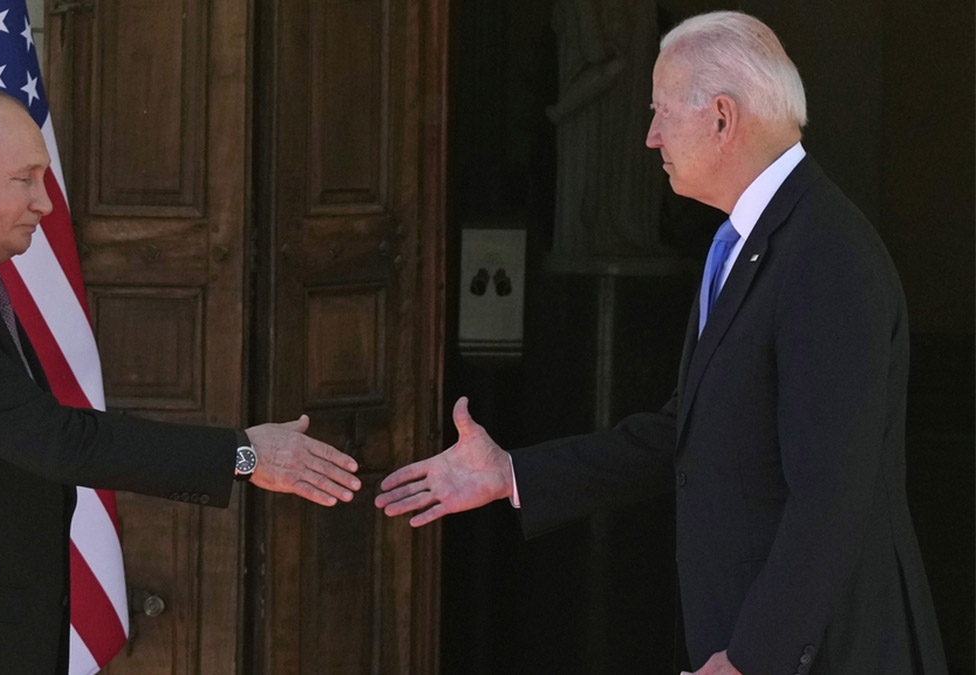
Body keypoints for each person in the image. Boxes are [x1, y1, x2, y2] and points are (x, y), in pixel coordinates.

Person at [377, 11, 946, 675]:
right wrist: (510, 474)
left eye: (660, 112)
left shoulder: (825, 256)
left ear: (722, 118)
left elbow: (829, 498)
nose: (647, 137)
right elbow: (684, 435)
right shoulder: (745, 243)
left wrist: (749, 659)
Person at [0, 86, 361, 674]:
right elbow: (57, 441)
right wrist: (243, 454)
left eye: (43, 179)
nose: (45, 203)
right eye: (24, 179)